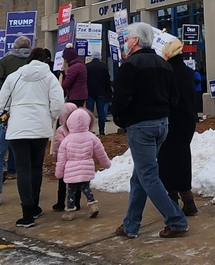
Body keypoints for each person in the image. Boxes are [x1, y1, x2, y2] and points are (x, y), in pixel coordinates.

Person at [111, 22, 190, 240]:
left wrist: (121, 119)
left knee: (147, 175)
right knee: (140, 175)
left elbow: (120, 98)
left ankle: (176, 220)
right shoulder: (163, 64)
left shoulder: (130, 65)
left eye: (128, 38)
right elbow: (174, 96)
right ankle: (131, 224)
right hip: (161, 123)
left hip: (141, 125)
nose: (126, 42)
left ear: (135, 41)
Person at [0, 48, 64, 228]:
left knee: (23, 168)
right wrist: (49, 117)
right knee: (36, 167)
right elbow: (57, 103)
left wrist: (10, 115)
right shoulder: (49, 78)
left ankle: (26, 214)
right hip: (40, 127)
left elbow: (0, 104)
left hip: (17, 128)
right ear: (45, 61)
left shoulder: (14, 77)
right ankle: (34, 206)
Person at [0, 37, 33, 207]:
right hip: (34, 115)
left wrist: (0, 105)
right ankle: (31, 194)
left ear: (15, 47)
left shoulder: (6, 61)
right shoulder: (36, 62)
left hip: (10, 114)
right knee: (29, 155)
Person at [158, 35, 200, 216]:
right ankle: (187, 198)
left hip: (171, 120)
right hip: (187, 121)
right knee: (183, 157)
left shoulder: (166, 72)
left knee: (166, 160)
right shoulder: (188, 72)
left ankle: (173, 197)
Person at [55, 108, 111, 220]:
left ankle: (69, 211)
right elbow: (101, 153)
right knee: (86, 188)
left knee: (71, 191)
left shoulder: (67, 140)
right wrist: (106, 164)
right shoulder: (92, 137)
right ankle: (92, 204)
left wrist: (59, 173)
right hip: (86, 168)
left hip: (71, 170)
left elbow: (61, 159)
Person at [85, 55, 113, 134]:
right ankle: (101, 130)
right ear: (100, 57)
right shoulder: (103, 66)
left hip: (89, 92)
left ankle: (89, 130)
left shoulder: (87, 66)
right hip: (101, 92)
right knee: (101, 111)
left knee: (89, 112)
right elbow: (107, 80)